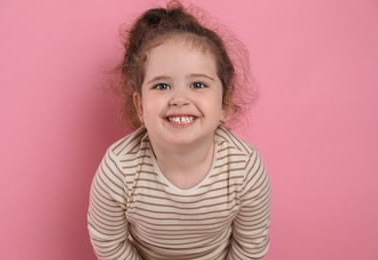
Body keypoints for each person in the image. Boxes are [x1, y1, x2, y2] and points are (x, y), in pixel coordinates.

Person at [87, 1, 271, 259]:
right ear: (140, 106)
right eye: (162, 86)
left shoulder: (244, 167)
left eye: (197, 84)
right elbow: (108, 242)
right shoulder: (119, 168)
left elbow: (250, 246)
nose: (179, 99)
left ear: (224, 104)